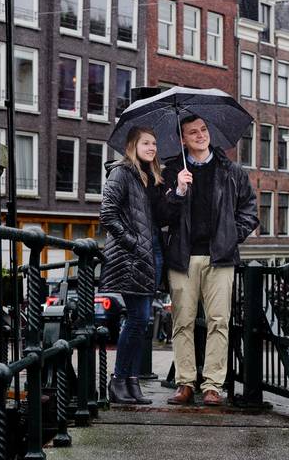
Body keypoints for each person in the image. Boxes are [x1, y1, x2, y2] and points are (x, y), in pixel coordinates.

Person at [163, 115, 259, 406]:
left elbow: (250, 212)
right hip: (182, 257)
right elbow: (161, 216)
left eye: (203, 130)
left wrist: (231, 237)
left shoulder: (232, 171)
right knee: (183, 321)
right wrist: (178, 191)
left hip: (220, 257)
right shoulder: (171, 172)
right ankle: (185, 383)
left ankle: (213, 386)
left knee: (219, 321)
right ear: (183, 139)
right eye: (193, 132)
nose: (200, 135)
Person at [99, 126, 187, 405]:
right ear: (132, 145)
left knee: (142, 320)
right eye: (145, 143)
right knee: (137, 319)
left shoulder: (152, 177)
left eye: (154, 143)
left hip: (152, 255)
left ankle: (131, 382)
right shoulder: (121, 173)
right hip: (132, 256)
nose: (151, 147)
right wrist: (133, 243)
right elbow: (107, 214)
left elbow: (161, 217)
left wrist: (179, 192)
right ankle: (119, 381)